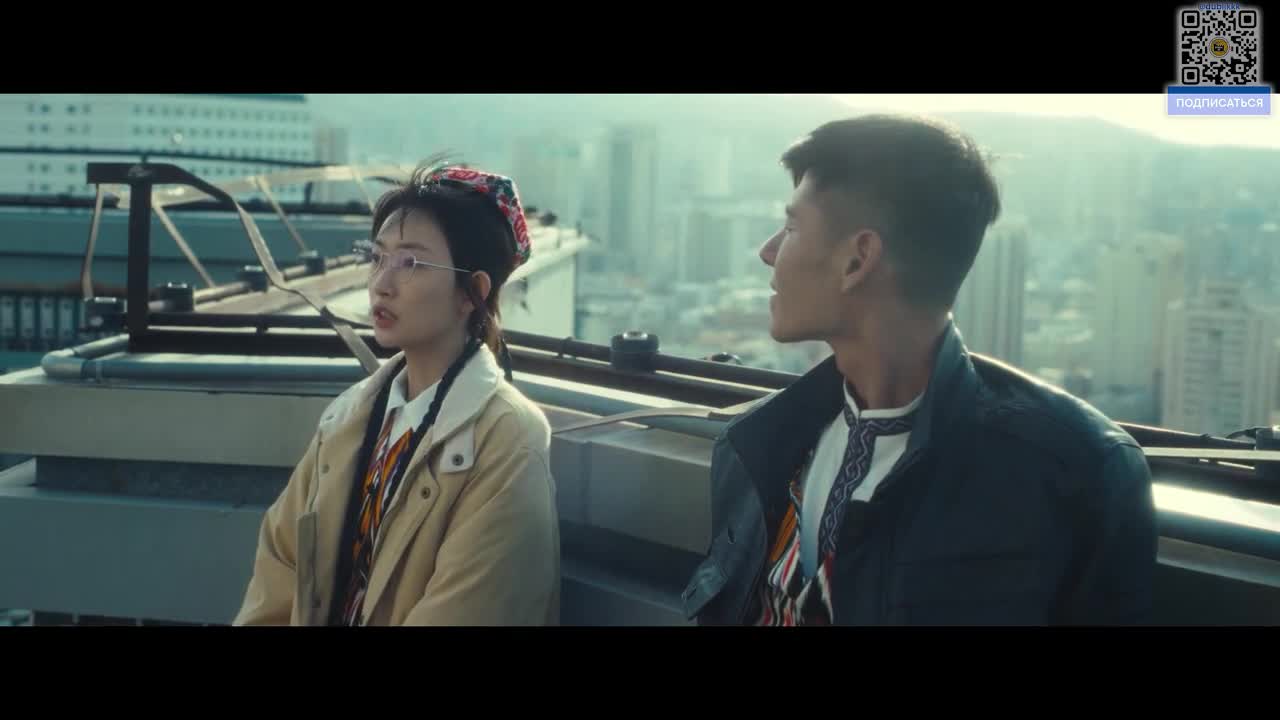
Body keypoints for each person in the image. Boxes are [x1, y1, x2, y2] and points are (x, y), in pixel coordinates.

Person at [681, 115, 1156, 626]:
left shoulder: (1072, 474)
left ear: (858, 260)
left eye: (792, 227)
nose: (768, 251)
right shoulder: (759, 441)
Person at [235, 160, 559, 626]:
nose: (381, 284)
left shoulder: (507, 440)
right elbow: (277, 577)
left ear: (472, 291)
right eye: (377, 258)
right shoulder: (348, 418)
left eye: (411, 263)